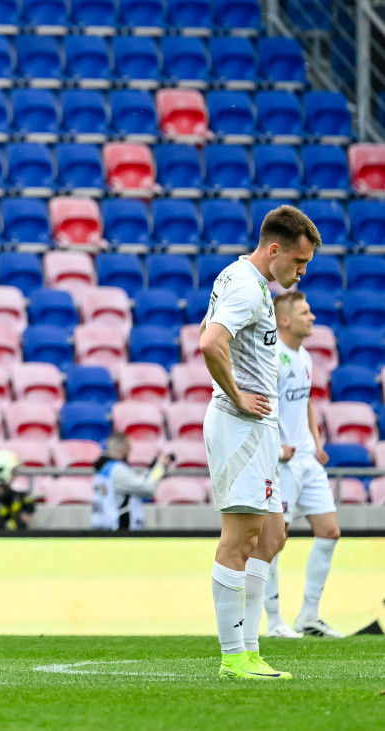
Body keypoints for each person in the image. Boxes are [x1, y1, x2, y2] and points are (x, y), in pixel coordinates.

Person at [199, 205, 320, 681]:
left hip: (259, 428)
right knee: (241, 539)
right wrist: (236, 394)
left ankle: (249, 649)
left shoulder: (241, 278)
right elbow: (210, 342)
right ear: (275, 250)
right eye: (298, 261)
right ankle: (235, 656)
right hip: (240, 426)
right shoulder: (249, 288)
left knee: (272, 537)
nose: (301, 271)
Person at [263, 291, 344, 639]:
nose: (312, 317)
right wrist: (276, 448)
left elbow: (307, 401)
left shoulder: (306, 357)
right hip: (283, 462)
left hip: (309, 460)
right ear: (285, 320)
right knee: (274, 540)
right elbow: (261, 407)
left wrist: (317, 440)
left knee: (329, 532)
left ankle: (308, 617)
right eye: (305, 312)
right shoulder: (273, 358)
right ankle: (274, 620)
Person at [91, 432, 170, 531]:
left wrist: (150, 470)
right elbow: (148, 488)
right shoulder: (118, 469)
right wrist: (160, 468)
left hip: (102, 529)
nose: (129, 453)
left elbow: (133, 483)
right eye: (129, 449)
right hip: (119, 533)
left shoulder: (102, 470)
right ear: (123, 450)